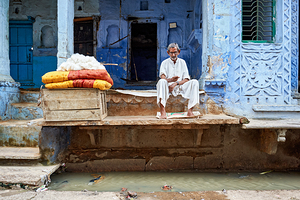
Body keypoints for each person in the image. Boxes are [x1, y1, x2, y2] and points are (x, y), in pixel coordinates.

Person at [157, 43, 199, 119]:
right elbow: (163, 78)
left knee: (195, 82)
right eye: (171, 53)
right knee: (161, 82)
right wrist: (171, 80)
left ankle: (190, 110)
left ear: (179, 52)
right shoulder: (164, 63)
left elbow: (186, 79)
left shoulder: (182, 62)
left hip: (180, 86)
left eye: (175, 52)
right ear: (168, 53)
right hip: (167, 87)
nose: (173, 55)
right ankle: (162, 111)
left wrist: (176, 83)